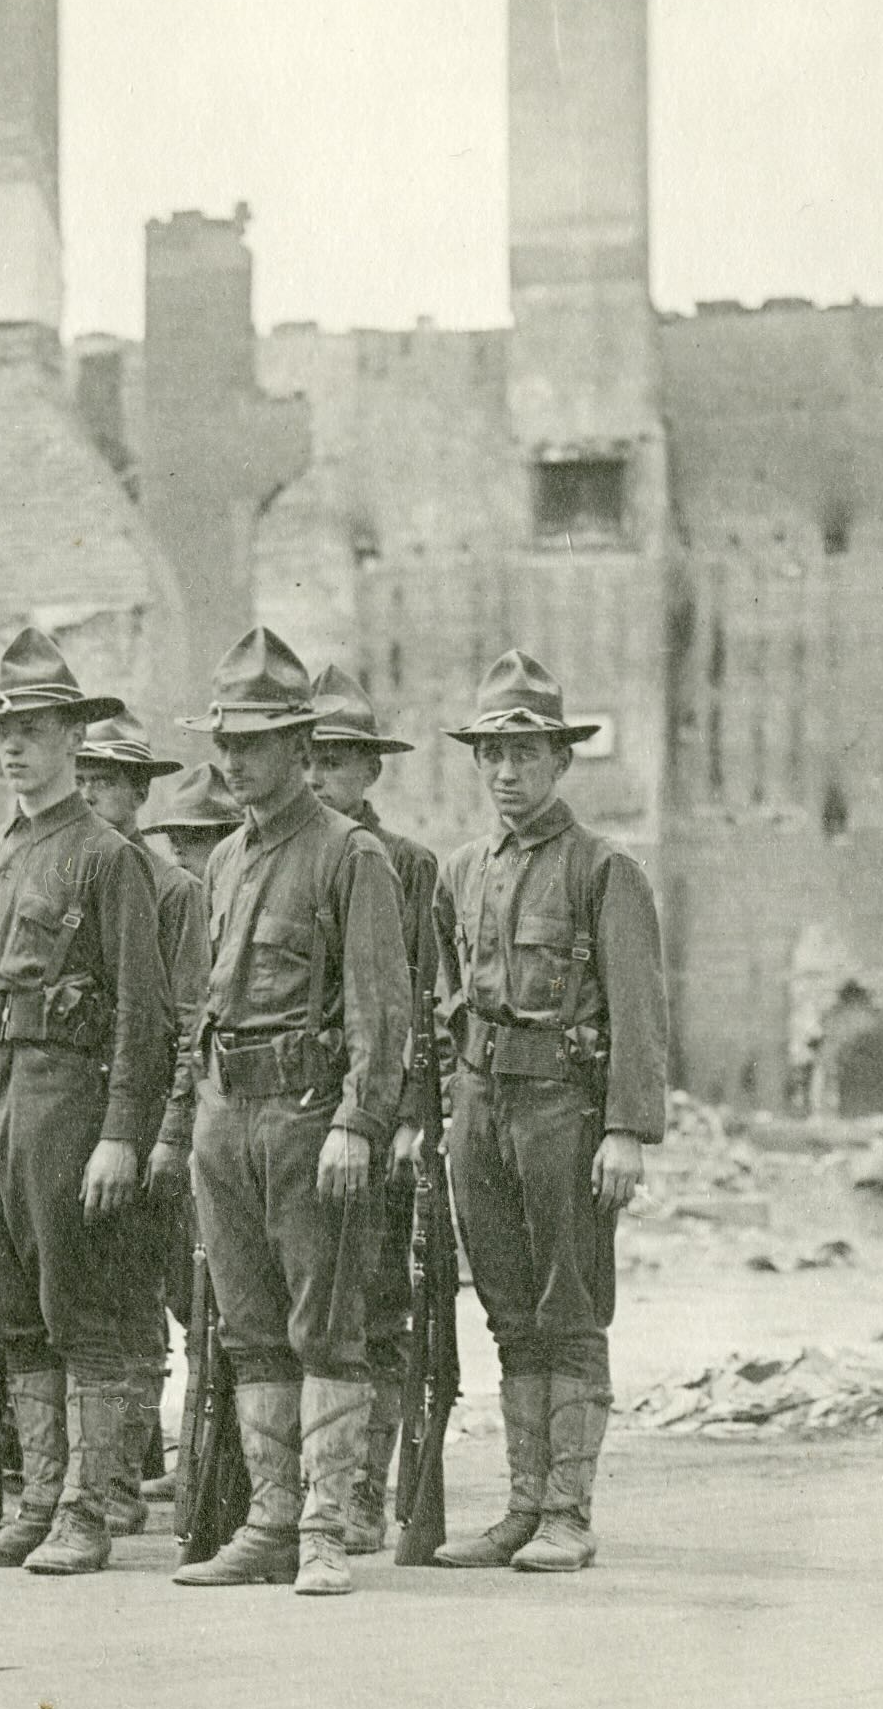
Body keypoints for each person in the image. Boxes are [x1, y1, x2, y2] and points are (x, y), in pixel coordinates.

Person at [170, 629, 409, 1596]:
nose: (233, 761)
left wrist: (359, 1120)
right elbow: (207, 999)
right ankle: (268, 1518)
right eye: (224, 742)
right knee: (249, 1327)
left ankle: (322, 1526)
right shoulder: (223, 860)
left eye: (255, 742)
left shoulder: (349, 856)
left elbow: (380, 1005)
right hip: (228, 1114)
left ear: (299, 746)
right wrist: (194, 1116)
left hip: (309, 1118)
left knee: (328, 1327)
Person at [0, 630, 173, 1575]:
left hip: (60, 1096)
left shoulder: (105, 856)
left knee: (80, 1309)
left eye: (33, 728)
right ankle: (36, 1502)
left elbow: (144, 1015)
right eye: (5, 728)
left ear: (74, 739)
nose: (13, 746)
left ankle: (87, 1508)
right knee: (11, 1314)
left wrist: (121, 1135)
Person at [430, 651, 667, 1573]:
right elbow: (445, 998)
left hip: (563, 1110)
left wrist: (625, 1129)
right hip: (479, 1106)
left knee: (568, 1307)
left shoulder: (603, 870)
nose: (505, 771)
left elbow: (639, 1009)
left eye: (524, 753)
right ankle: (521, 1507)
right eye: (490, 752)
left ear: (561, 762)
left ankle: (569, 1510)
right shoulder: (462, 870)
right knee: (504, 1310)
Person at [304, 663, 445, 1556]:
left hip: (375, 1119)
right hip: (293, 1111)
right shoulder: (271, 853)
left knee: (378, 1304)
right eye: (307, 759)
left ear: (371, 774)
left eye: (337, 761)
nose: (318, 776)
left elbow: (423, 998)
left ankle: (362, 1488)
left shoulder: (405, 865)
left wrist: (406, 1115)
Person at [77, 712, 195, 1529]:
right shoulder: (69, 871)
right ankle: (104, 1471)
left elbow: (182, 1018)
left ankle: (122, 1476)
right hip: (74, 1116)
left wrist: (166, 1135)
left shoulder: (172, 890)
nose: (91, 795)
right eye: (81, 780)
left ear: (139, 793)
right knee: (87, 1299)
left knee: (140, 1295)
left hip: (146, 1123)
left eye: (108, 784)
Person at [134, 762, 244, 1517]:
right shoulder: (171, 908)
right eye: (180, 840)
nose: (190, 855)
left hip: (234, 1123)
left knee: (234, 1301)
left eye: (205, 840)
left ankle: (233, 1464)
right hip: (173, 1127)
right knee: (186, 1293)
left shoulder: (236, 905)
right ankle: (201, 1454)